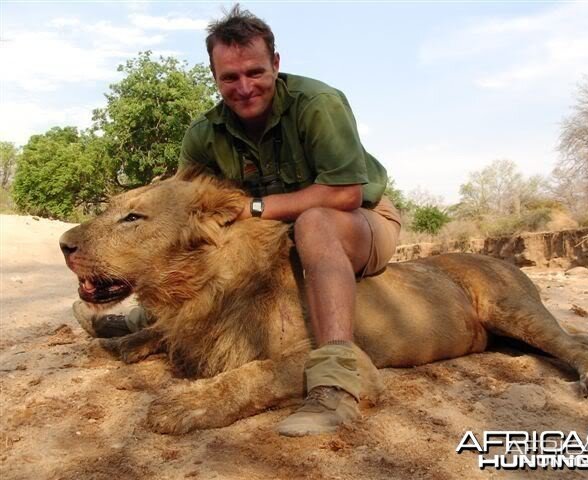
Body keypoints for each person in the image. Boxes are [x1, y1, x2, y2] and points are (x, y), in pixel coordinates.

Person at [73, 5, 401, 437]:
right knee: (208, 250)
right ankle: (150, 322)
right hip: (280, 235)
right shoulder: (204, 133)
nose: (245, 87)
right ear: (214, 77)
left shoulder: (318, 104)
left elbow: (346, 194)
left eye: (255, 72)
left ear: (276, 65)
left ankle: (337, 377)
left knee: (314, 225)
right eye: (230, 78)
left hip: (355, 222)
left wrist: (255, 210)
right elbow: (180, 209)